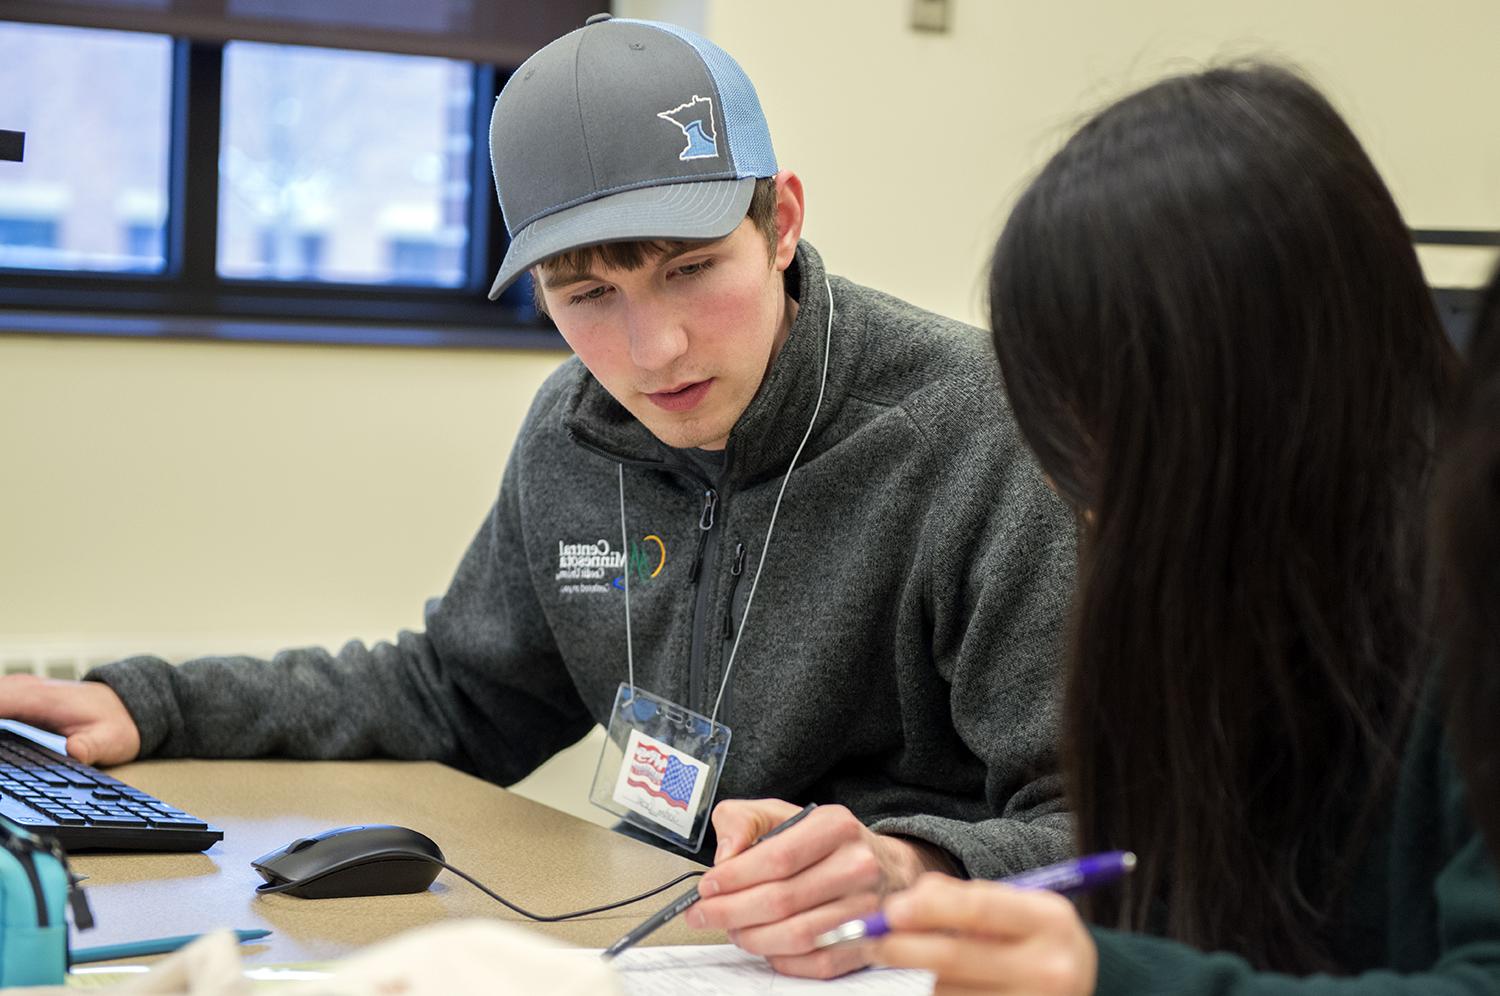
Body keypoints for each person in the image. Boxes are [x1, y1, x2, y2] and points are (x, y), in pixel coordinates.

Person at [0, 14, 1076, 977]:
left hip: (918, 965)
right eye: (589, 293)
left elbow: (1113, 828)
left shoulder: (981, 432)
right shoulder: (576, 435)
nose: (653, 350)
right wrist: (159, 706)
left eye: (692, 268)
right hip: (679, 947)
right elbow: (457, 697)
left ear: (782, 222)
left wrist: (918, 863)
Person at [864, 65, 1500, 992]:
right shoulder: (1211, 586)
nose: (1068, 485)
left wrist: (1108, 978)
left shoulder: (1470, 591)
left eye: (1094, 423)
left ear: (1234, 402)